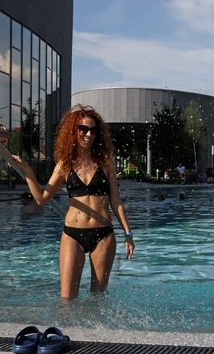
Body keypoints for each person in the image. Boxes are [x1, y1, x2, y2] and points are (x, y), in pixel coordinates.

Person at [10, 104, 134, 299]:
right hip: (73, 235)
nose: (88, 134)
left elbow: (115, 200)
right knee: (67, 299)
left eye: (93, 130)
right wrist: (27, 170)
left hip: (103, 235)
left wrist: (128, 233)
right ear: (73, 131)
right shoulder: (65, 164)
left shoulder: (106, 162)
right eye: (83, 129)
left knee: (97, 299)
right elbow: (41, 198)